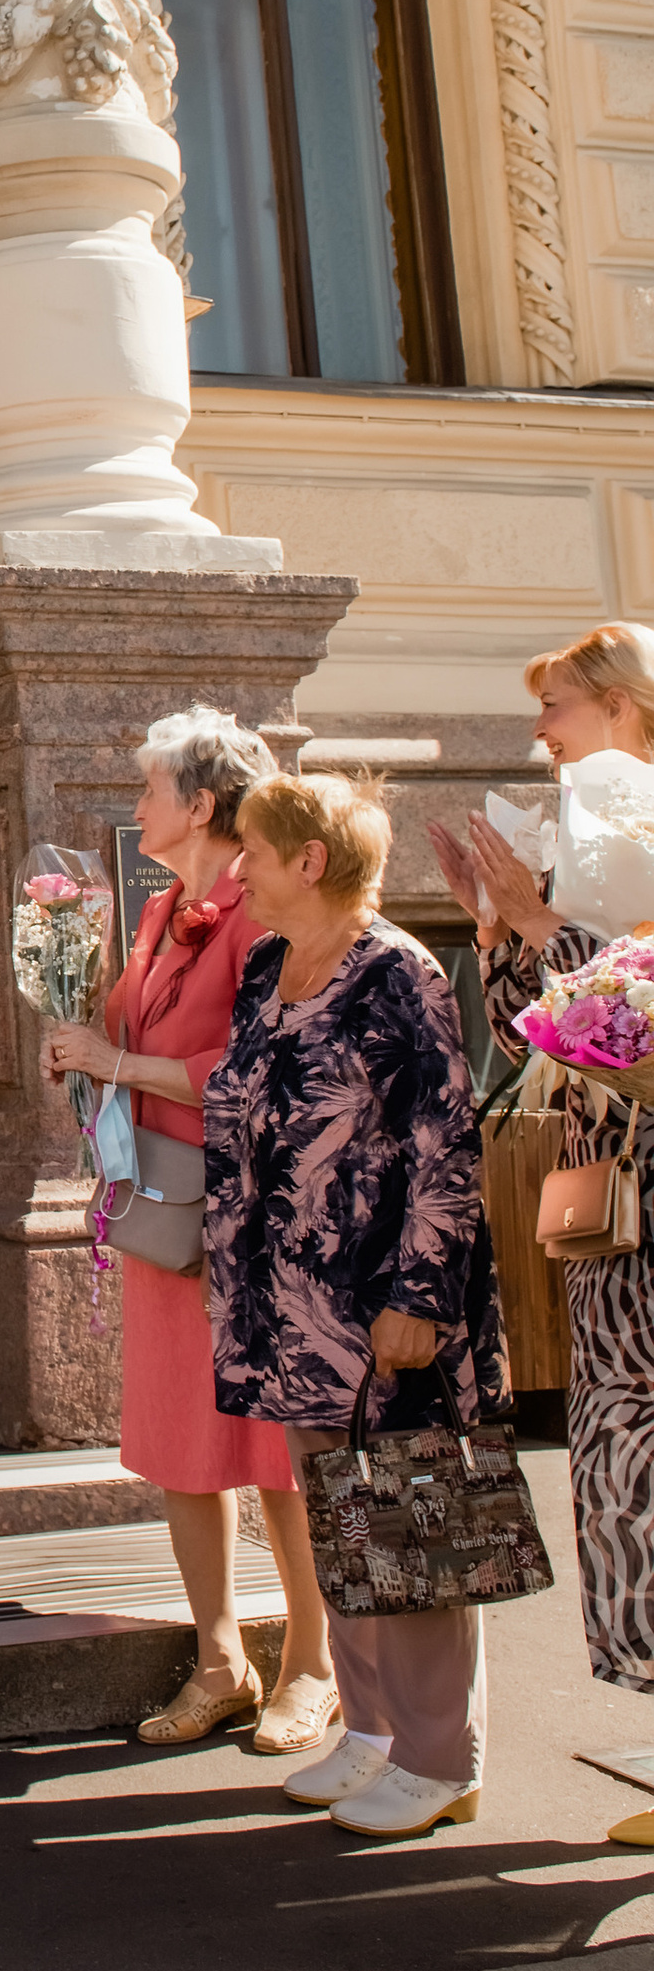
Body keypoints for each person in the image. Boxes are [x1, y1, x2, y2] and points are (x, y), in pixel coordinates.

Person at [205, 770, 510, 1841]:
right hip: (289, 1299)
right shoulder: (265, 966)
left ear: (310, 860)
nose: (234, 868)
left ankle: (439, 1758)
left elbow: (445, 1141)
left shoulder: (398, 974)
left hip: (384, 1299)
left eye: (251, 849)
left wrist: (419, 1294)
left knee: (407, 1521)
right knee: (344, 1520)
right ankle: (374, 1734)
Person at [40, 709, 338, 1753]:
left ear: (200, 802)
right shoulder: (158, 908)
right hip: (165, 1213)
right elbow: (136, 1031)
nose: (135, 805)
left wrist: (116, 1062)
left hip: (250, 1216)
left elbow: (255, 1077)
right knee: (181, 1441)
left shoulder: (257, 915)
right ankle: (218, 1660)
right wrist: (81, 1038)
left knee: (276, 1449)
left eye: (149, 787)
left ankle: (312, 1663)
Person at [432, 619, 654, 1847]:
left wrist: (552, 936)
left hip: (648, 1197)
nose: (539, 728)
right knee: (619, 1465)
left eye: (558, 704)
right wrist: (506, 930)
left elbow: (632, 1005)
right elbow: (544, 1039)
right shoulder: (581, 834)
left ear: (623, 702)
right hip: (601, 1198)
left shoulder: (643, 825)